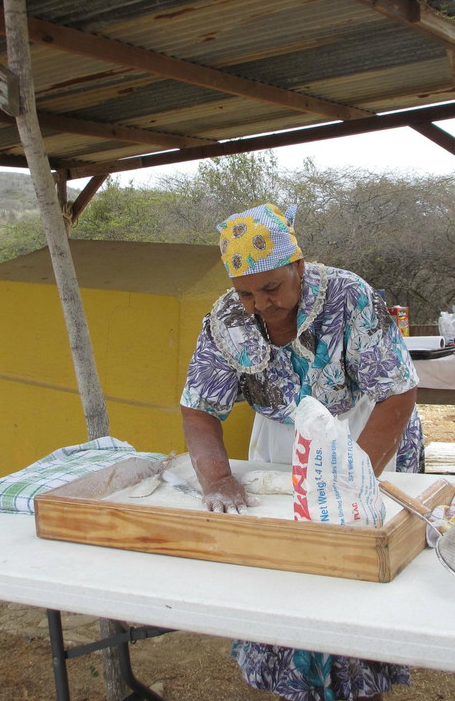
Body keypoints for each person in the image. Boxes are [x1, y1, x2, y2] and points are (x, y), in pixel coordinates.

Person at [179, 203, 422, 701]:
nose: (259, 305)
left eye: (271, 288)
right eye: (246, 293)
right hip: (282, 436)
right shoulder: (227, 320)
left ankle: (362, 684)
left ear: (298, 266)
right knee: (285, 566)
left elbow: (397, 392)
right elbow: (198, 408)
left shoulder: (349, 297)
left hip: (366, 428)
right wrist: (218, 479)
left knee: (353, 564)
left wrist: (352, 477)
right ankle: (293, 683)